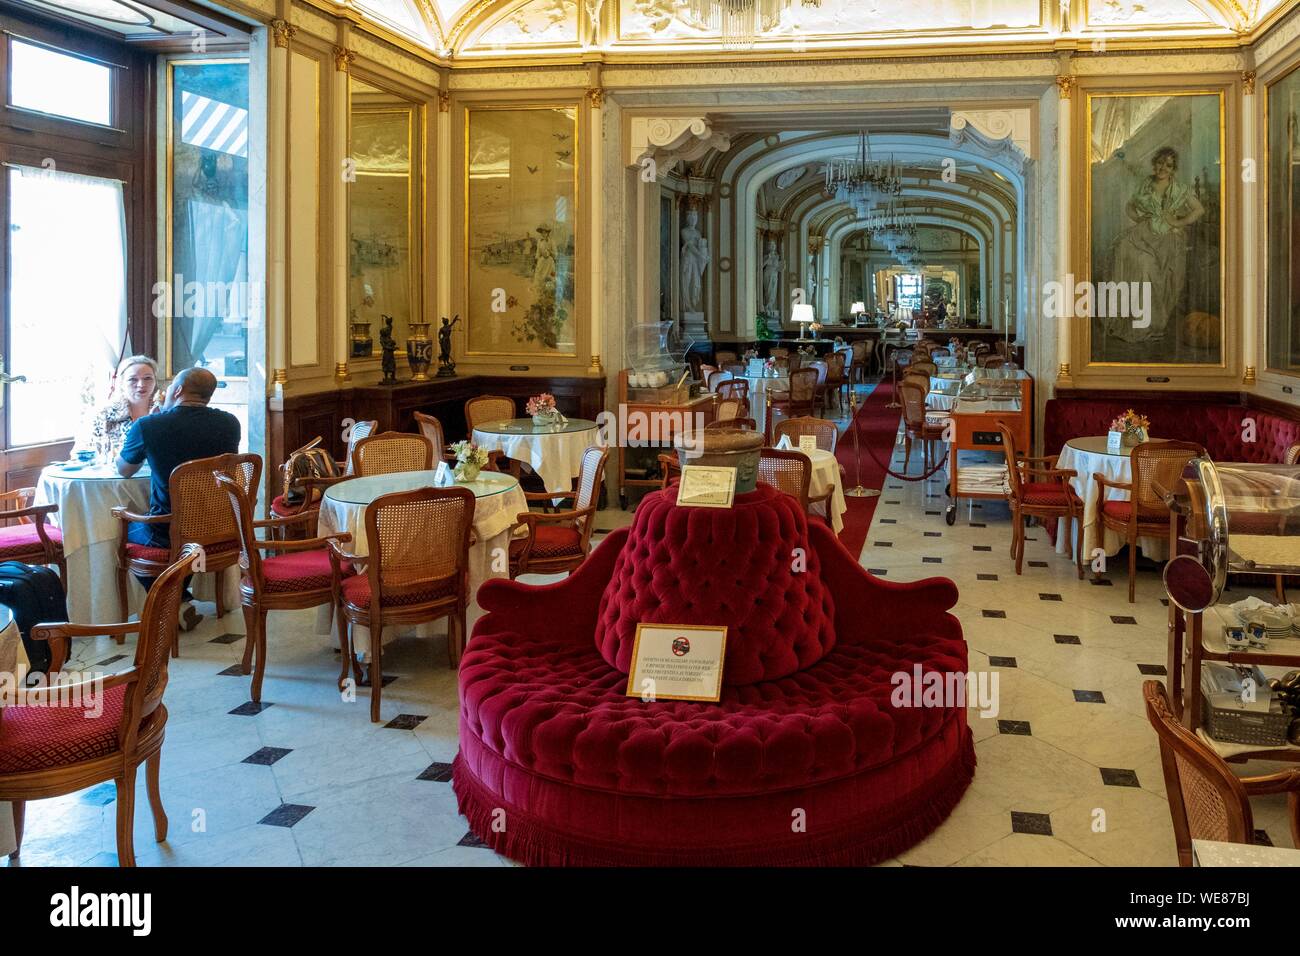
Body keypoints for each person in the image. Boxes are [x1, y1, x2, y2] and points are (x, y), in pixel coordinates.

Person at [117, 367, 241, 629]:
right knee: (178, 528)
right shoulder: (230, 423)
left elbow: (124, 469)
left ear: (177, 390)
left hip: (168, 532)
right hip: (221, 527)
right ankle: (181, 601)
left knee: (120, 531)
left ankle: (173, 604)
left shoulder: (150, 426)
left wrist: (152, 425)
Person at [82, 355, 162, 459]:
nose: (141, 384)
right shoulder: (104, 415)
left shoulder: (165, 412)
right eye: (133, 379)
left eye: (147, 378)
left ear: (155, 381)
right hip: (113, 473)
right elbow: (84, 452)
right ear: (122, 383)